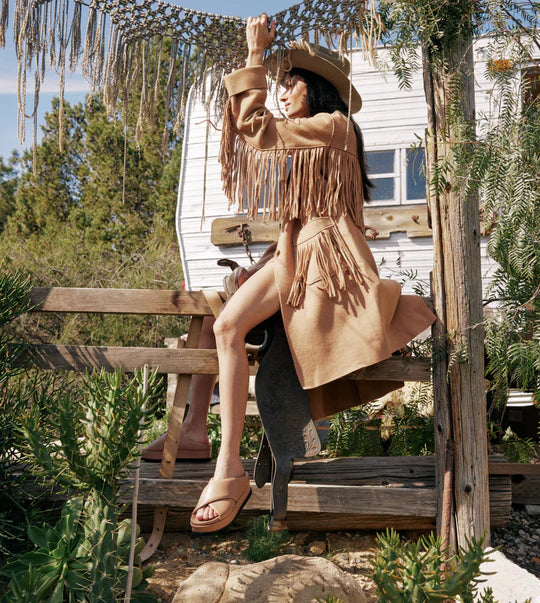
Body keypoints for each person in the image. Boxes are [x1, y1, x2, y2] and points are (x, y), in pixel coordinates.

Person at [190, 14, 436, 534]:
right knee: (221, 324)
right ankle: (212, 451)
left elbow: (256, 129)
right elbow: (293, 215)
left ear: (318, 88)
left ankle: (227, 467)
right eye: (278, 84)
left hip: (320, 263)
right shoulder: (316, 137)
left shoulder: (335, 127)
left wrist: (254, 54)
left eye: (291, 83)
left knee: (228, 327)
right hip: (297, 257)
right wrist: (264, 264)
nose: (282, 92)